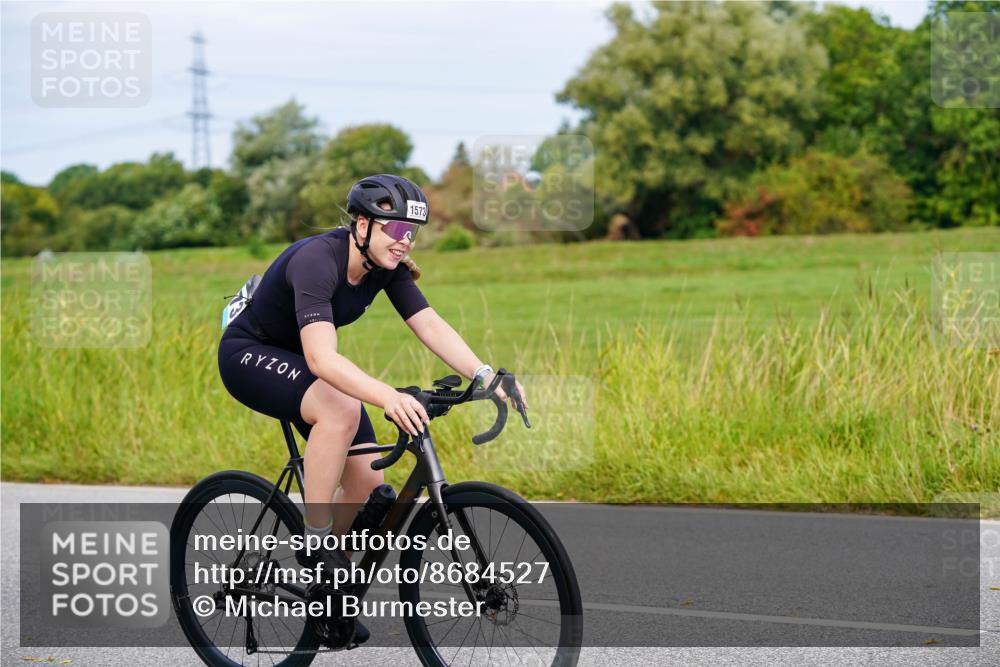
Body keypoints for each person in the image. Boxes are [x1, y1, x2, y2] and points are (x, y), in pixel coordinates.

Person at [216, 174, 526, 640]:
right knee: (340, 410)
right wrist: (387, 396)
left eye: (413, 233)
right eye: (397, 230)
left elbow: (429, 325)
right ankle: (315, 536)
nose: (405, 242)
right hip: (248, 353)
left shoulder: (385, 267)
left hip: (299, 357)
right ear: (362, 224)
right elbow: (322, 359)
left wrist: (483, 375)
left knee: (367, 480)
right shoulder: (317, 261)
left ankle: (325, 592)